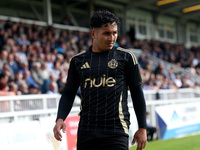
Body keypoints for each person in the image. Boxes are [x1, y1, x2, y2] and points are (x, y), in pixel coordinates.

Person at [53, 10, 147, 150]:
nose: (112, 37)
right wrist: (60, 118)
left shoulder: (126, 57)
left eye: (114, 32)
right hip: (87, 132)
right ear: (93, 34)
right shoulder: (77, 61)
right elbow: (68, 93)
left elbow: (137, 92)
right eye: (106, 33)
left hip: (116, 130)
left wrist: (142, 127)